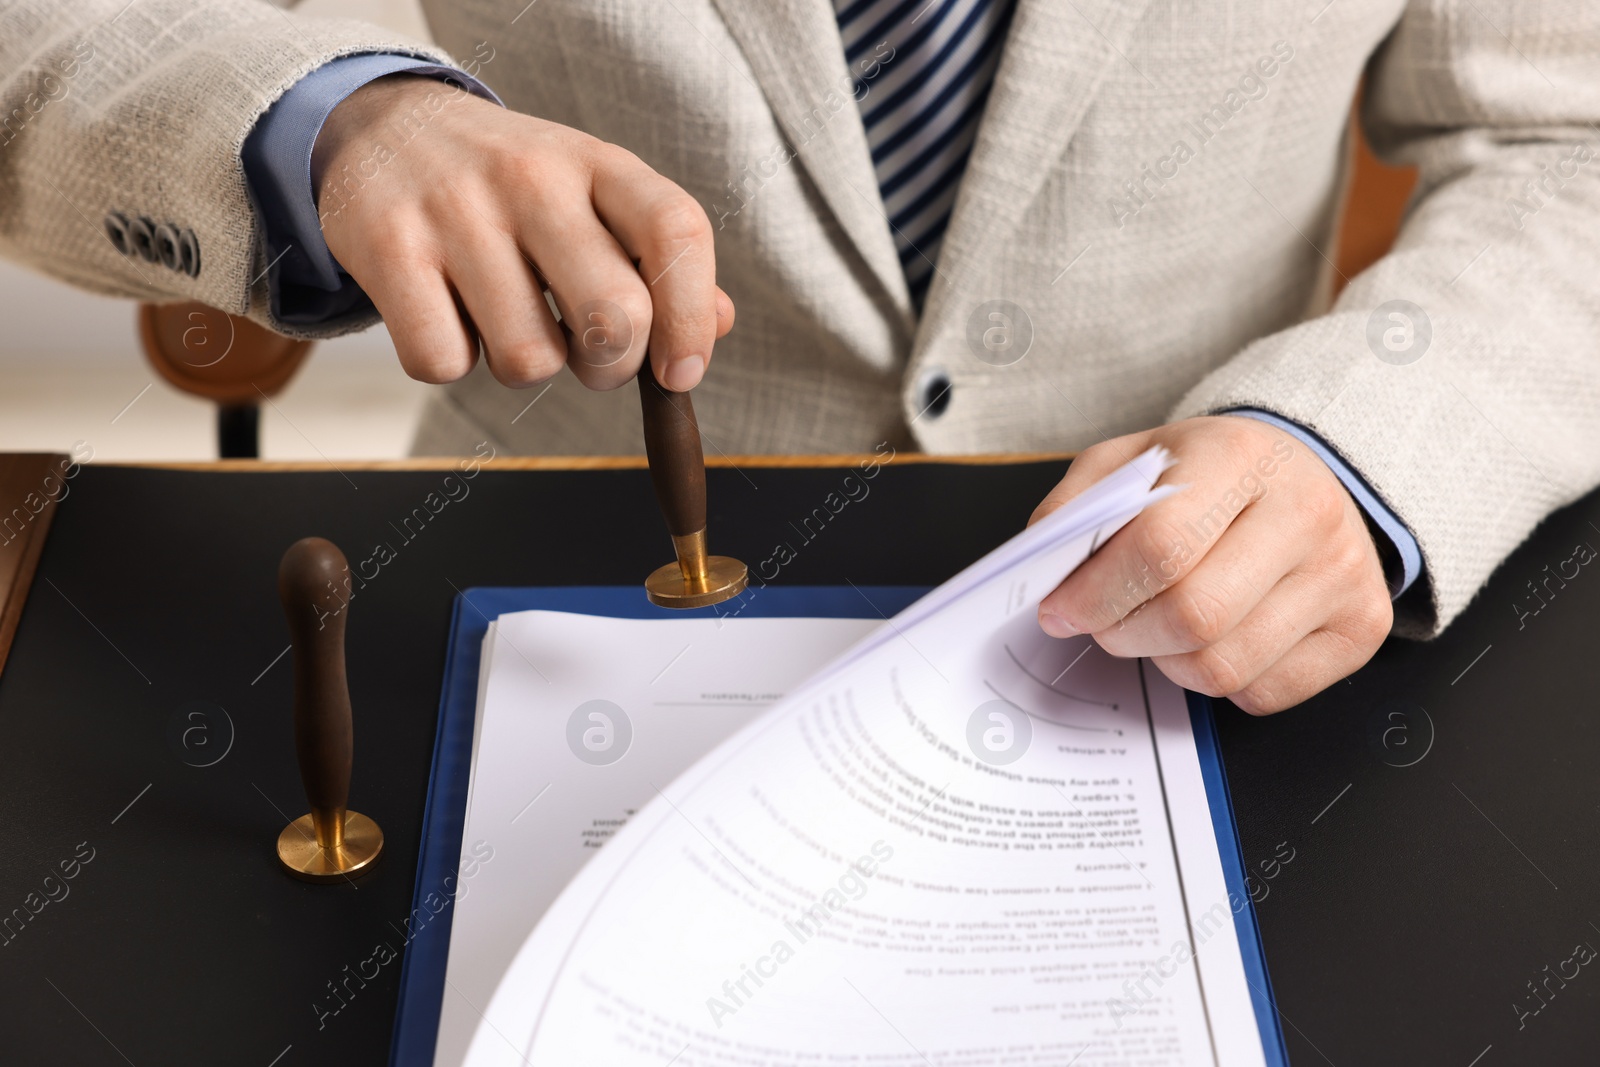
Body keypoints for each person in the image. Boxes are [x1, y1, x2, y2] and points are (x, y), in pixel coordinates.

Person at [4, 0, 1598, 713]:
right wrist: (337, 119)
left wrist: (1364, 452)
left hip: (1213, 647)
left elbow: (1563, 137)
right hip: (532, 601)